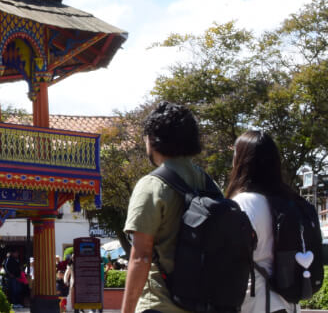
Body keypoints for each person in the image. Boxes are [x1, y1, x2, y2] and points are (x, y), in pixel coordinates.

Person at [122, 101, 209, 313]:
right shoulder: (208, 182)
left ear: (152, 140)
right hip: (203, 304)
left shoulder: (152, 185)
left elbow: (141, 256)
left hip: (159, 303)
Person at [225, 131, 300, 313]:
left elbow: (229, 258)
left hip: (256, 301)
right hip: (289, 301)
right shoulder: (289, 201)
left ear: (241, 161)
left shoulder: (241, 203)